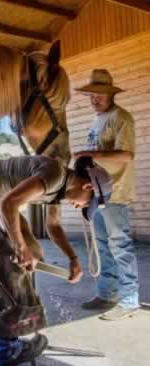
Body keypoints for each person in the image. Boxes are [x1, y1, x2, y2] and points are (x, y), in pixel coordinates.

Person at [0, 155, 112, 366]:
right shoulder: (55, 174)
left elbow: (52, 225)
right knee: (6, 267)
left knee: (24, 255)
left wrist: (72, 259)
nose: (81, 207)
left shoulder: (60, 188)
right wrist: (21, 248)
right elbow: (7, 203)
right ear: (88, 186)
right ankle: (8, 348)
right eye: (87, 203)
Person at [74, 69, 140, 320]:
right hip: (98, 192)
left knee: (119, 246)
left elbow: (126, 155)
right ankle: (107, 293)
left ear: (110, 94)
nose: (94, 98)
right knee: (102, 246)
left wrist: (90, 156)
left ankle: (129, 300)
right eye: (91, 94)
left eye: (98, 94)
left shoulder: (121, 117)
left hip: (116, 192)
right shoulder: (96, 120)